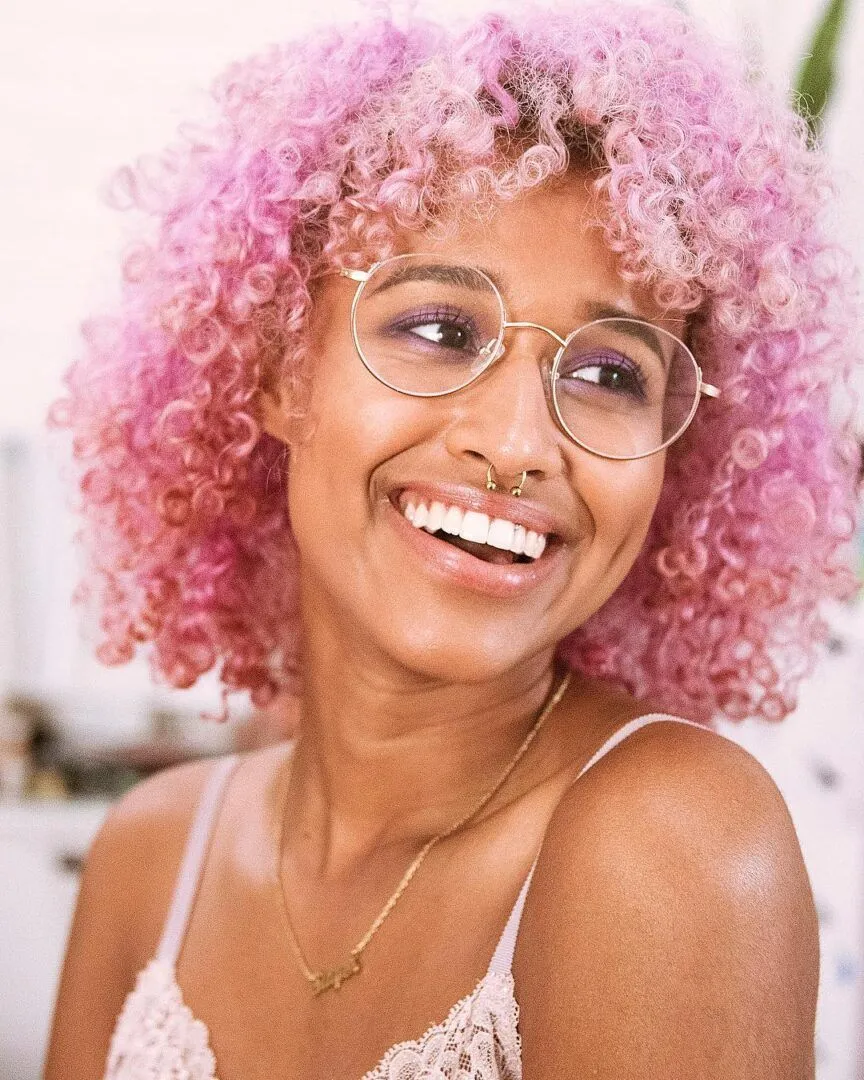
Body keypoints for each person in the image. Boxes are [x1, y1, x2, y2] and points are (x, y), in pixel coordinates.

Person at [43, 1, 861, 1077]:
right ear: (283, 373)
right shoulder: (151, 858)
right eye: (438, 329)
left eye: (613, 373)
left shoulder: (670, 845)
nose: (520, 444)